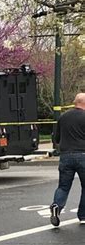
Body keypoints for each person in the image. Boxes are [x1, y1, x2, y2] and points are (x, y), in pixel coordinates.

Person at [50, 93, 85, 226]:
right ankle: (83, 215)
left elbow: (56, 138)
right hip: (83, 155)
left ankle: (56, 207)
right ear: (82, 103)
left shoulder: (63, 117)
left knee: (63, 186)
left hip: (65, 156)